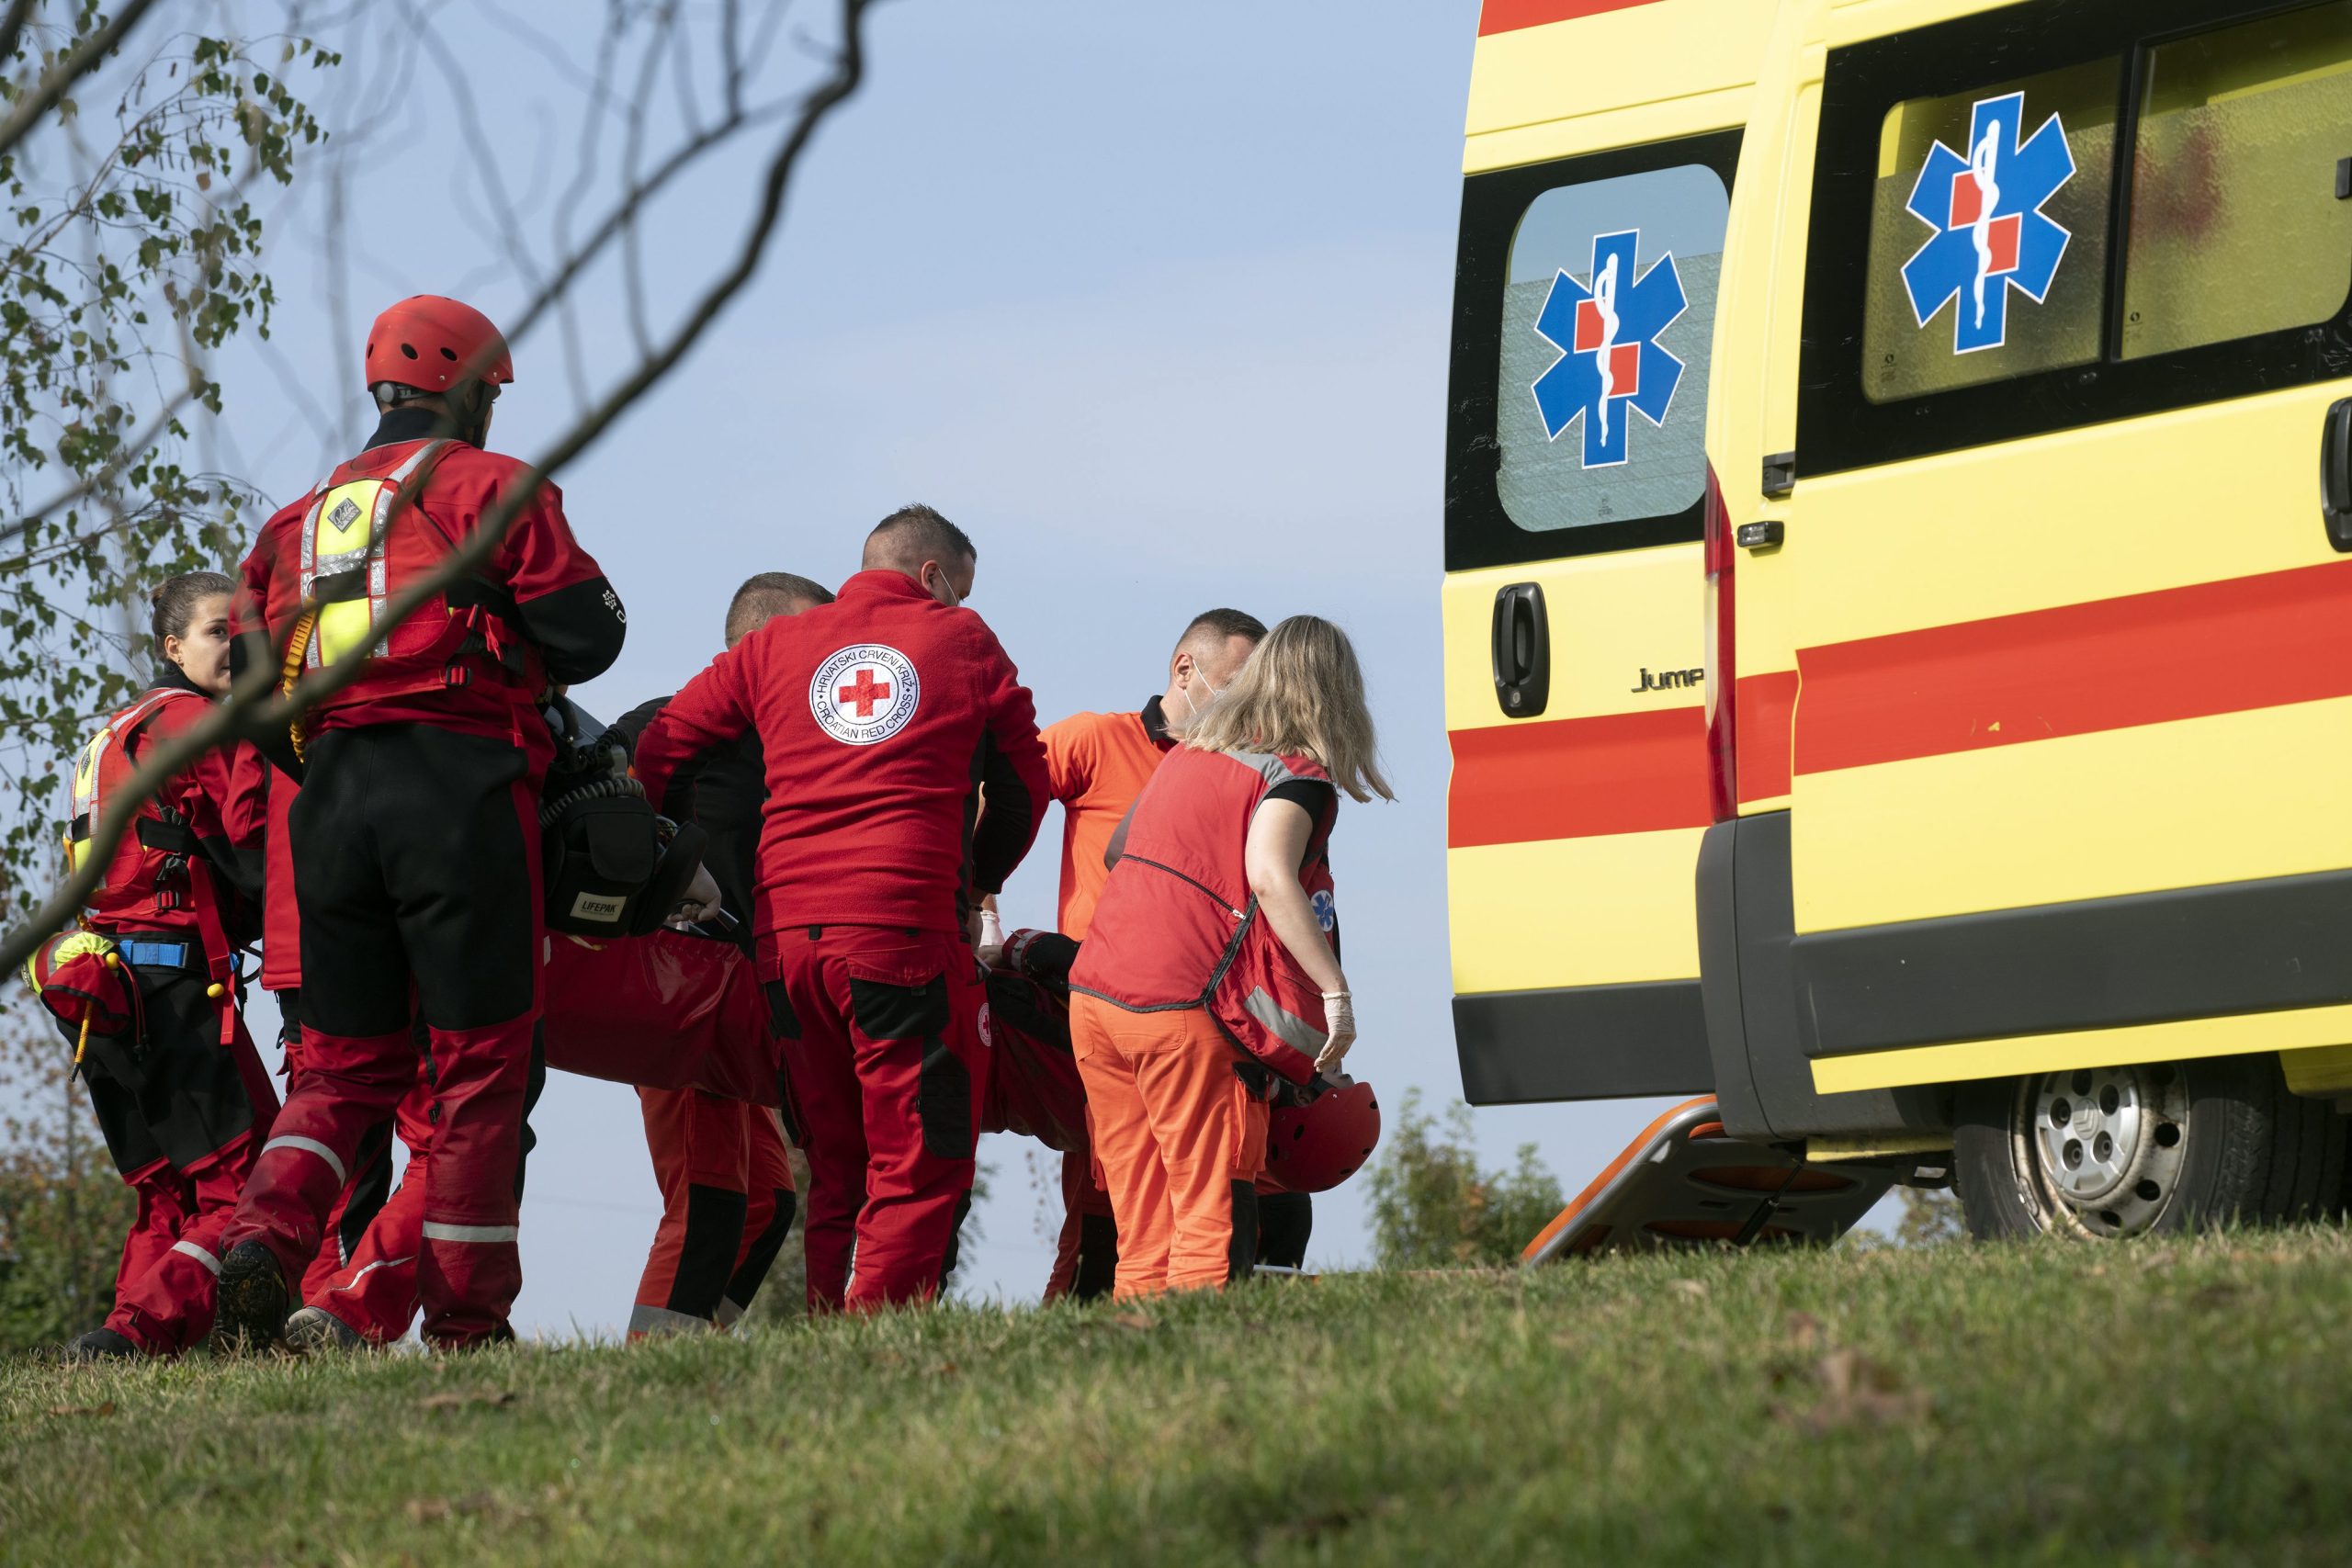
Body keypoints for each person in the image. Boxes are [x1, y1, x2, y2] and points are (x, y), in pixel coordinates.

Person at [212, 294, 628, 1351]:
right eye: (490, 390)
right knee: (481, 1065)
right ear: (465, 383)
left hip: (334, 802)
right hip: (462, 790)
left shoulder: (287, 529)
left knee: (340, 1070)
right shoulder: (493, 486)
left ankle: (263, 1235)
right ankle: (467, 1323)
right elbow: (587, 636)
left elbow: (252, 703)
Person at [633, 505, 1049, 1313]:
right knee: (921, 1154)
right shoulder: (963, 641)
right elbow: (1024, 788)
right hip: (902, 931)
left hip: (786, 949)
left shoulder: (773, 646)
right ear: (931, 576)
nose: (958, 607)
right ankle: (878, 1336)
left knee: (835, 1158)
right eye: (956, 590)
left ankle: (833, 1322)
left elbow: (662, 743)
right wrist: (978, 880)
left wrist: (662, 862)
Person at [1069, 615, 1389, 1297]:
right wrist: (1335, 991)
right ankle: (1199, 1386)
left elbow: (1118, 851)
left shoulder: (1190, 751)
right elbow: (1271, 873)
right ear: (1336, 696)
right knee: (1210, 1224)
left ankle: (1133, 1370)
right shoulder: (1294, 773)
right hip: (1183, 1010)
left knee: (1143, 1229)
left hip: (1095, 1000)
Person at [45, 573, 278, 1358]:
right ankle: (136, 1332)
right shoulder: (194, 721)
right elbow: (256, 839)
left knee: (167, 1195)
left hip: (103, 996)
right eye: (220, 631)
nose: (236, 646)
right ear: (173, 648)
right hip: (173, 987)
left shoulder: (114, 732)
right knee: (249, 1184)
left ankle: (126, 1344)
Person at [606, 571, 831, 1337]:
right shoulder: (662, 727)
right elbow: (589, 816)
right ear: (764, 639)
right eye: (816, 636)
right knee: (710, 1199)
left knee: (768, 1203)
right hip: (677, 992)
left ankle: (695, 1350)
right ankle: (649, 1377)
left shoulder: (802, 747)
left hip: (745, 1002)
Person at [1023, 608, 1264, 1301]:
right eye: (1237, 684)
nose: (1248, 706)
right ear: (1185, 670)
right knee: (1106, 1203)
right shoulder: (1098, 740)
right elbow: (999, 797)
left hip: (1207, 1016)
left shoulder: (1244, 771)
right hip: (1102, 1006)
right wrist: (983, 906)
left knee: (1230, 1191)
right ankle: (1088, 1339)